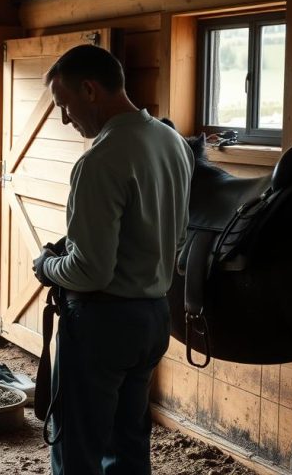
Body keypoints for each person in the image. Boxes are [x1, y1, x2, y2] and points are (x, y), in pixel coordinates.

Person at [31, 44, 193, 475]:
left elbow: (90, 270)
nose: (66, 119)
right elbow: (175, 236)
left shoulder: (100, 160)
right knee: (129, 443)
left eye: (65, 105)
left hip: (102, 324)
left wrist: (46, 267)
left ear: (89, 90)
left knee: (78, 445)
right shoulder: (172, 142)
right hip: (154, 318)